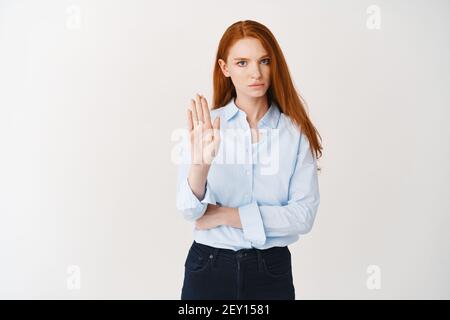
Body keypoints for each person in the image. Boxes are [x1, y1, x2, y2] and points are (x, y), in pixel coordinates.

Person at [175, 20, 322, 300]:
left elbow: (303, 216)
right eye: (242, 62)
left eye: (264, 60)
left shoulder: (294, 133)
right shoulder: (206, 127)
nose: (256, 72)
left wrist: (226, 215)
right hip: (208, 267)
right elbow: (189, 212)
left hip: (271, 271)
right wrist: (200, 166)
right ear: (225, 68)